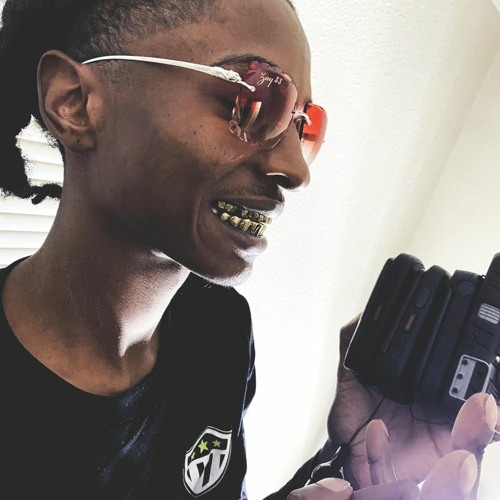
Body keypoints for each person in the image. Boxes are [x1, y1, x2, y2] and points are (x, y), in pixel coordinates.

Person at [0, 0, 497, 499]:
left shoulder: (219, 326)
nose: (297, 171)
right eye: (258, 100)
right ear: (74, 102)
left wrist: (348, 459)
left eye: (303, 127)